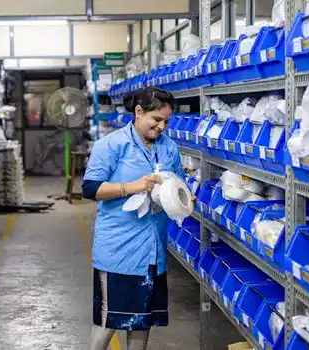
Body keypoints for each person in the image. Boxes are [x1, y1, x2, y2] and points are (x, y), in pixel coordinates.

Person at [82, 87, 183, 350]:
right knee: (109, 320)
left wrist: (183, 198)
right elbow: (90, 189)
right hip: (119, 250)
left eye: (166, 122)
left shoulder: (169, 148)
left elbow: (178, 183)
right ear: (138, 112)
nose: (162, 127)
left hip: (153, 250)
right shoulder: (112, 145)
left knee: (142, 319)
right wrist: (133, 186)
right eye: (157, 120)